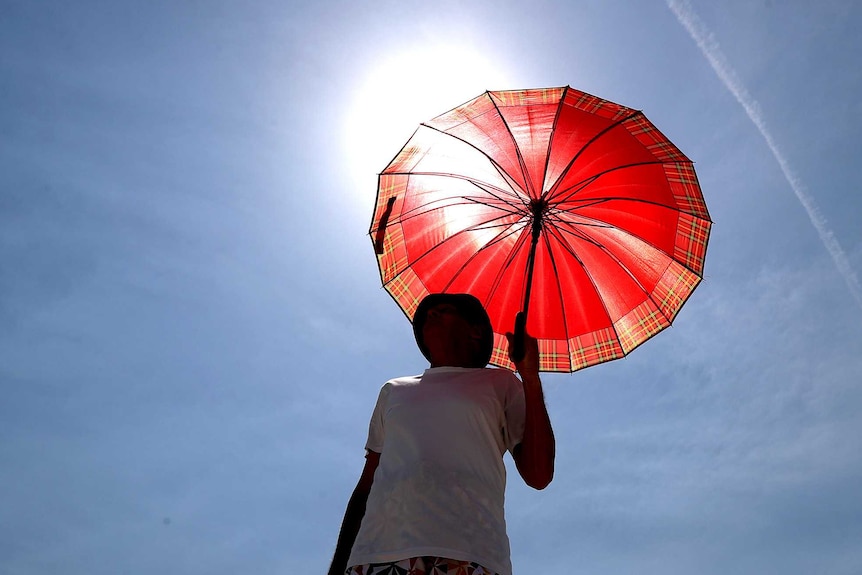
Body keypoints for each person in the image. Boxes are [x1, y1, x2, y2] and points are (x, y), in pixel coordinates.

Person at [328, 293, 555, 575]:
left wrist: (529, 377)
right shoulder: (393, 390)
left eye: (444, 310)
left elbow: (538, 474)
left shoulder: (502, 383)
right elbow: (366, 486)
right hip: (377, 554)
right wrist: (338, 566)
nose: (431, 315)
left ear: (476, 332)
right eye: (427, 315)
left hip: (469, 552)